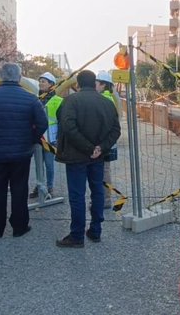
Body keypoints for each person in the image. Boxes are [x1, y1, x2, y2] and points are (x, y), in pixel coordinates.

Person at [0, 63, 47, 238]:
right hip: (21, 153)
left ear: (1, 77)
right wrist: (31, 139)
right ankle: (19, 226)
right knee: (19, 189)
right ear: (20, 77)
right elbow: (42, 123)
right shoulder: (30, 99)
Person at [55, 70, 120, 248]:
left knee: (77, 195)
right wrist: (100, 148)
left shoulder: (70, 101)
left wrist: (88, 148)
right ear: (94, 83)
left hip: (75, 156)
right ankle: (95, 231)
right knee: (97, 191)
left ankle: (76, 235)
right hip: (98, 157)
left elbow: (67, 127)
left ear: (78, 84)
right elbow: (116, 130)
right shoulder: (107, 103)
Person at [29, 72, 63, 200]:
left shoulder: (58, 101)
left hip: (50, 138)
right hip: (38, 137)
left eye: (44, 81)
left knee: (49, 164)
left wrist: (59, 138)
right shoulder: (35, 99)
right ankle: (39, 186)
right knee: (38, 164)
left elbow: (61, 121)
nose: (41, 83)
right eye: (40, 81)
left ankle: (49, 187)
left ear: (51, 85)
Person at [95, 71, 121, 209]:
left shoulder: (104, 100)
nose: (94, 86)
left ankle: (105, 199)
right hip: (109, 141)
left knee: (103, 171)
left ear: (103, 85)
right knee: (105, 170)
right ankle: (105, 198)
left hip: (103, 142)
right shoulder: (111, 97)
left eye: (96, 83)